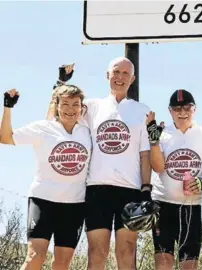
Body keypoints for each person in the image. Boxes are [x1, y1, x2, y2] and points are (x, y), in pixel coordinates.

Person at [48, 57, 152, 269]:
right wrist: (60, 85)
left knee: (127, 253)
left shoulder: (142, 110)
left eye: (125, 74)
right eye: (116, 72)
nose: (120, 77)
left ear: (132, 79)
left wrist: (146, 189)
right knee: (97, 252)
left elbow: (145, 155)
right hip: (97, 190)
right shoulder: (92, 107)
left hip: (130, 190)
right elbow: (54, 121)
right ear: (107, 75)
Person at [1, 85, 91, 270]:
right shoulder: (43, 128)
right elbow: (6, 138)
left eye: (75, 104)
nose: (70, 109)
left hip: (75, 204)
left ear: (82, 108)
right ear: (56, 105)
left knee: (62, 263)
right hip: (43, 200)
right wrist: (8, 107)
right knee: (35, 257)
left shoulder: (87, 130)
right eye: (65, 104)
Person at [146, 89, 202, 270]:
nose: (182, 113)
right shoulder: (162, 133)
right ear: (170, 111)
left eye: (187, 108)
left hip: (191, 207)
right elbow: (158, 167)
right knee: (163, 263)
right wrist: (153, 142)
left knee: (189, 265)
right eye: (177, 109)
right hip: (163, 205)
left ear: (194, 109)